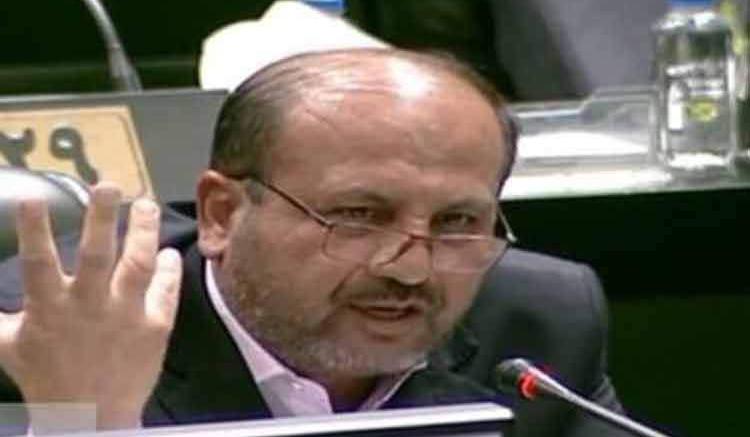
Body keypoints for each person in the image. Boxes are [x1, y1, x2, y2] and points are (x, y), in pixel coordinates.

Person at [0, 48, 626, 437]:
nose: (411, 269)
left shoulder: (537, 324)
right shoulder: (43, 333)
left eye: (458, 221)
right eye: (359, 216)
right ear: (222, 214)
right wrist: (86, 422)